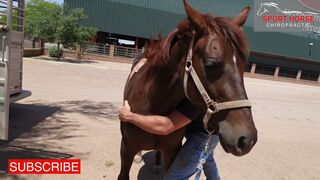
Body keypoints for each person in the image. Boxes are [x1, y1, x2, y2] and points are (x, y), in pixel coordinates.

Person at [118, 99, 220, 180]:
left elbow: (165, 127)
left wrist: (129, 116)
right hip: (211, 134)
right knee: (208, 159)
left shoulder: (195, 99)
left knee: (175, 177)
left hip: (202, 137)